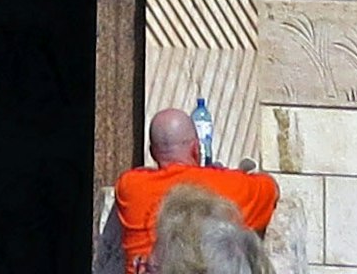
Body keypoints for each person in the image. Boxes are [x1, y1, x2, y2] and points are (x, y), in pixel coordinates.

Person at [97, 106, 281, 274]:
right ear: (196, 149)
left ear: (153, 153)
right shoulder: (230, 185)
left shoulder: (130, 186)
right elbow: (271, 189)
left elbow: (137, 175)